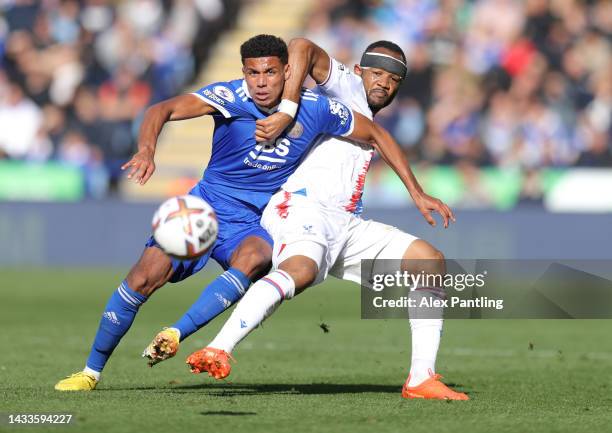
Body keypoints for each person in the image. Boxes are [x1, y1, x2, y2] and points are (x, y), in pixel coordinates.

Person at [54, 34, 437, 391]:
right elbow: (162, 108)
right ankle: (90, 372)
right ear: (243, 74)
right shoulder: (231, 98)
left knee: (257, 257)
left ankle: (178, 334)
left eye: (270, 71)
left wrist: (417, 192)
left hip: (256, 219)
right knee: (142, 278)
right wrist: (147, 149)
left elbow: (374, 133)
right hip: (206, 207)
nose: (261, 82)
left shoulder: (319, 109)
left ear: (288, 72)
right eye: (252, 72)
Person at [184, 38, 469, 400]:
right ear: (360, 72)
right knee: (299, 272)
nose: (383, 82)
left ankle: (420, 378)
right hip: (302, 208)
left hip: (346, 224)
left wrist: (417, 192)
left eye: (393, 79)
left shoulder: (370, 114)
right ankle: (219, 347)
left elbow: (381, 139)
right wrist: (287, 109)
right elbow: (300, 46)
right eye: (377, 73)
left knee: (429, 261)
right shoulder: (344, 86)